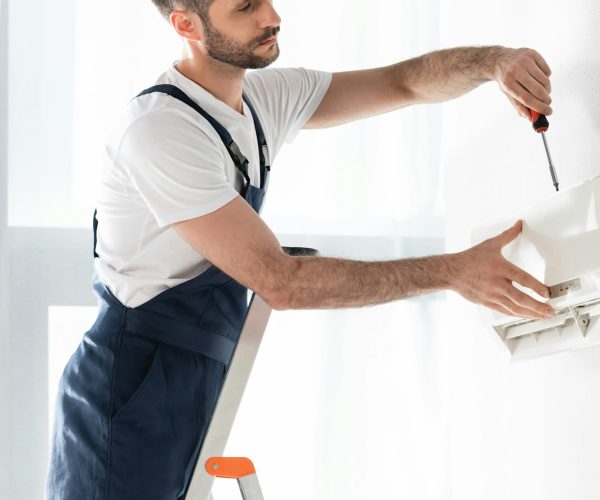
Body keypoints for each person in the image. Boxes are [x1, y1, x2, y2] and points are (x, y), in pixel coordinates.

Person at [45, 0, 555, 498]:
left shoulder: (265, 99)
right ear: (186, 24)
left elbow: (403, 81)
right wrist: (453, 272)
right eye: (244, 8)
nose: (272, 17)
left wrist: (495, 62)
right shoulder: (161, 130)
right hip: (127, 392)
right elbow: (281, 282)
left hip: (197, 382)